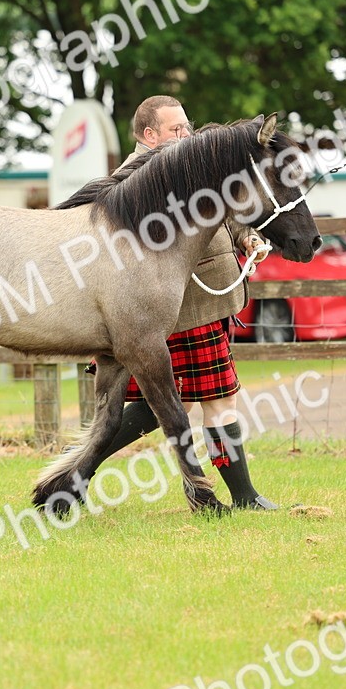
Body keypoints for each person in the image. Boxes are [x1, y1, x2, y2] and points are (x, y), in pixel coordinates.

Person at [96, 95, 278, 509]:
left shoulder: (190, 163)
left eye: (187, 127)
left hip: (202, 303)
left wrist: (247, 238)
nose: (186, 135)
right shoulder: (131, 178)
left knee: (184, 402)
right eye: (175, 130)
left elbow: (222, 212)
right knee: (178, 404)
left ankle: (72, 476)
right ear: (149, 135)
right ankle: (74, 472)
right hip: (179, 309)